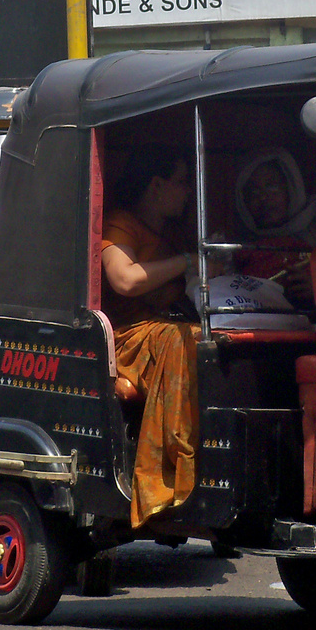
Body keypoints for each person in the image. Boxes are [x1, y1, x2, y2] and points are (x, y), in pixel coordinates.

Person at [99, 145, 203, 527]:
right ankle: (167, 475)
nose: (187, 191)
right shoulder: (120, 224)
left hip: (163, 329)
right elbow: (125, 280)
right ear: (156, 185)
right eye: (181, 182)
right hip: (127, 337)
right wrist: (189, 262)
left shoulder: (170, 234)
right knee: (184, 340)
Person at [230, 149, 316, 305]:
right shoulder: (239, 244)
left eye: (271, 186)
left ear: (290, 186)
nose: (264, 198)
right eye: (254, 192)